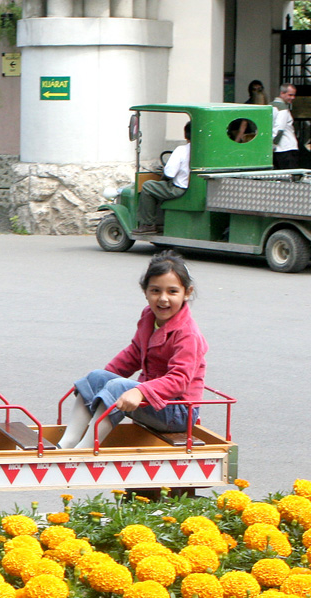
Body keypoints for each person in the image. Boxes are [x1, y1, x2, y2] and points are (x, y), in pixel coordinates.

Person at [57, 250, 207, 450]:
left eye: (172, 291)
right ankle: (66, 444)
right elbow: (134, 353)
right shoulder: (148, 317)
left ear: (187, 292)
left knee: (116, 386)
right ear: (145, 291)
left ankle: (84, 449)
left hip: (177, 410)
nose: (163, 299)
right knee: (97, 378)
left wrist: (141, 391)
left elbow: (179, 380)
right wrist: (99, 384)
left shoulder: (187, 333)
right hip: (153, 401)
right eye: (155, 291)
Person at [131, 121, 191, 236]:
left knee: (148, 186)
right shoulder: (204, 151)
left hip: (179, 189)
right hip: (193, 188)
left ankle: (148, 224)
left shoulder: (182, 150)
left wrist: (163, 173)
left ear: (186, 135)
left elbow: (170, 173)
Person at [272, 83, 299, 170]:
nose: (293, 98)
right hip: (286, 148)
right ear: (282, 93)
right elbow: (280, 129)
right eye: (290, 95)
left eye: (294, 95)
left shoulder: (269, 106)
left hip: (277, 150)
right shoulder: (283, 109)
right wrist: (274, 144)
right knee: (290, 178)